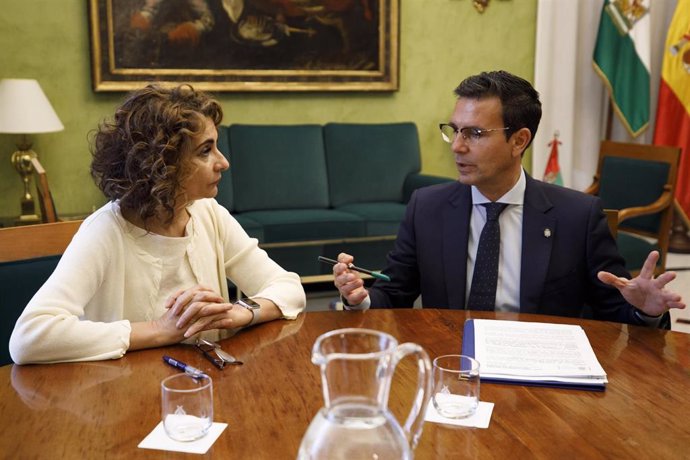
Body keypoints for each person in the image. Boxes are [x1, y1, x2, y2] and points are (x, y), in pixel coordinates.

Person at [332, 70, 685, 326]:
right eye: (454, 131)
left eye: (474, 133)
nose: (457, 146)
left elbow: (616, 313)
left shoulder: (578, 216)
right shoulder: (427, 207)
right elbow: (394, 293)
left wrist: (646, 310)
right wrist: (359, 298)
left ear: (519, 141)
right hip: (452, 363)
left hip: (543, 380)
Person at [9, 84, 306, 364]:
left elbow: (288, 287)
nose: (223, 162)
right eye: (205, 150)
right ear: (162, 162)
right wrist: (160, 329)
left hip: (207, 387)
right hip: (121, 397)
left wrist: (240, 312)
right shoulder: (105, 231)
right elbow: (28, 337)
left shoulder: (209, 214)